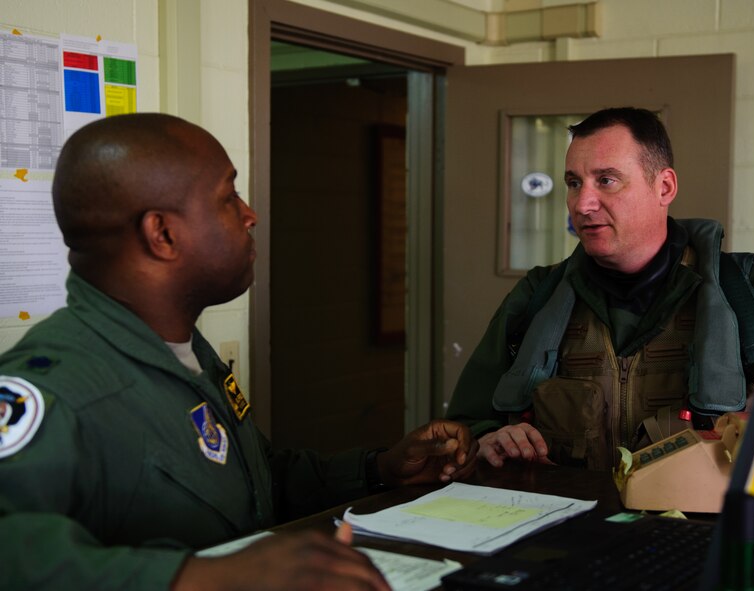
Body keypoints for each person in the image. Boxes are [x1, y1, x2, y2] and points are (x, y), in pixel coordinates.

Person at [0, 113, 478, 590]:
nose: (250, 214)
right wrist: (204, 578)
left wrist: (379, 470)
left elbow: (254, 482)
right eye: (228, 198)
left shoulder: (184, 353)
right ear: (162, 234)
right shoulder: (52, 387)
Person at [446, 107, 754, 471]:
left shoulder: (750, 295)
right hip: (565, 522)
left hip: (697, 526)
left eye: (606, 180)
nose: (583, 204)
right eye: (574, 183)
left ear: (664, 187)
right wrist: (487, 438)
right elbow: (467, 427)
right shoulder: (536, 297)